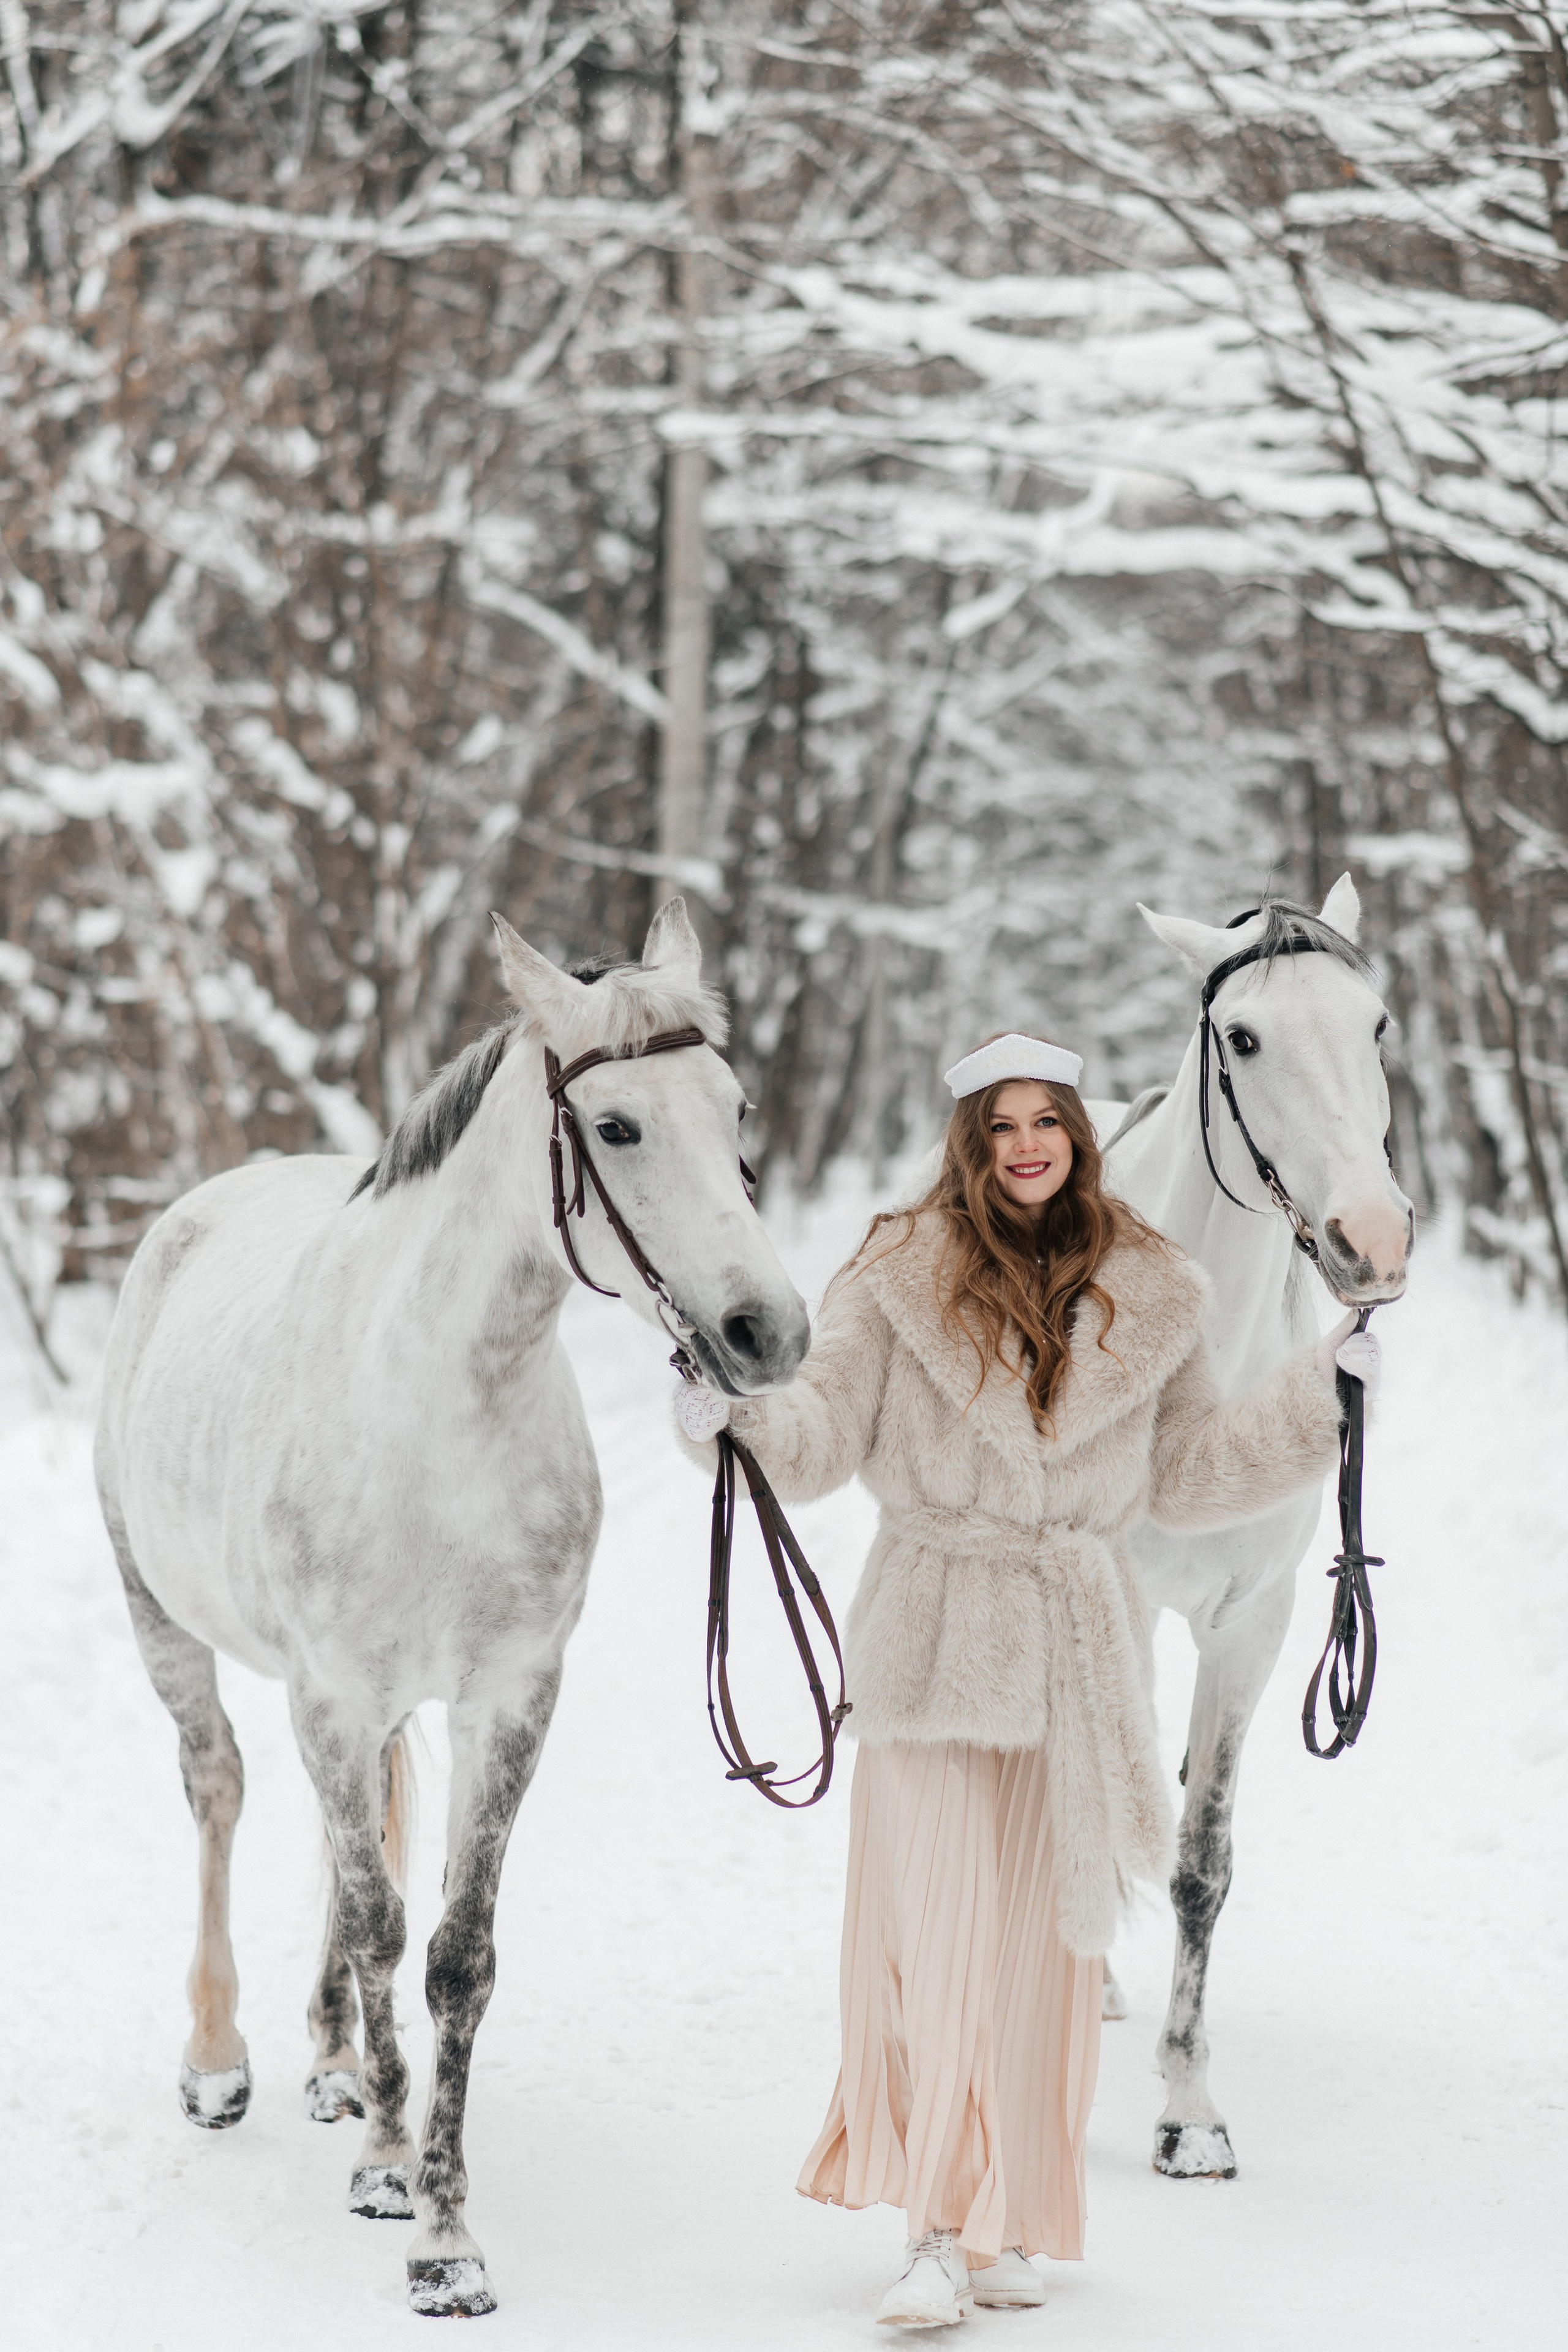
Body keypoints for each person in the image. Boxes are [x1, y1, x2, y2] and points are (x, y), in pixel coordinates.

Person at [674, 1033, 1374, 2329]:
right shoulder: (894, 1274)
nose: (1027, 1144)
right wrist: (744, 1422)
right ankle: (932, 2233)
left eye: (1046, 1119)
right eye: (1000, 1127)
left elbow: (1192, 1470)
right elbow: (824, 1434)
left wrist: (1320, 1395)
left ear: (1077, 1134)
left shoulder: (1150, 1287)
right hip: (934, 1639)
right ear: (969, 1145)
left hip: (1073, 1656)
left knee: (1038, 1968)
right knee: (934, 1949)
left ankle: (1001, 2225)